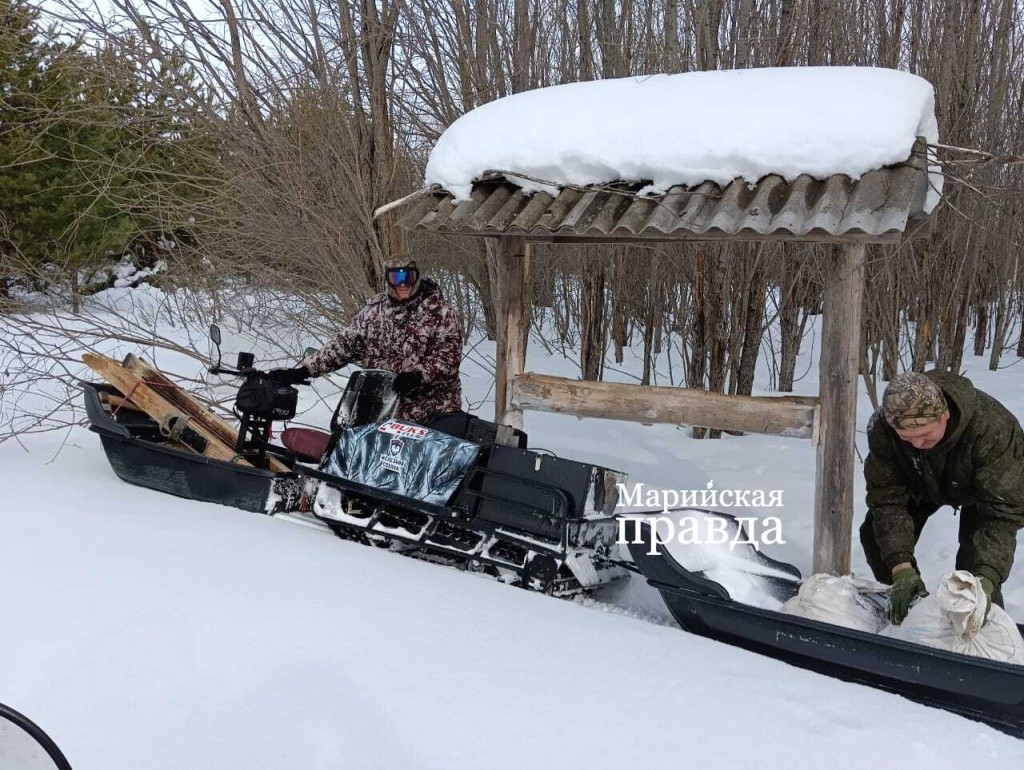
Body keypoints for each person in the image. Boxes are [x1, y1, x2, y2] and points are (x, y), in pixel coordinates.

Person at [861, 370, 1024, 625]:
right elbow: (887, 499)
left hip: (981, 491)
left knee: (975, 574)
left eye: (925, 435)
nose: (916, 444)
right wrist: (901, 569)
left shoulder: (992, 428)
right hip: (918, 481)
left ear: (944, 414)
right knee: (877, 540)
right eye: (907, 438)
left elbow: (1001, 516)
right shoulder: (883, 428)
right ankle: (910, 608)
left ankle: (986, 631)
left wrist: (986, 579)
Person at [271, 256, 463, 424]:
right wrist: (306, 370)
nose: (403, 284)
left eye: (408, 277)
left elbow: (447, 358)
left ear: (417, 277)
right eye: (397, 278)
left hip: (430, 410)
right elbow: (346, 343)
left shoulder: (440, 313)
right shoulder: (375, 311)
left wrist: (419, 376)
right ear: (388, 280)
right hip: (381, 408)